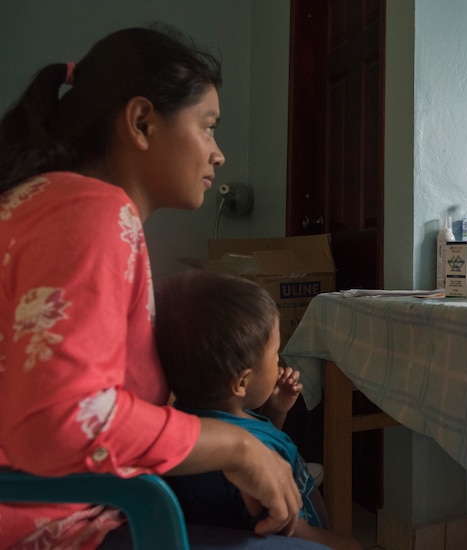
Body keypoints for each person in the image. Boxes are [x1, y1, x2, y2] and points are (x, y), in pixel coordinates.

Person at [0, 25, 327, 549]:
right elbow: (62, 420)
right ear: (142, 121)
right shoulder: (92, 213)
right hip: (55, 531)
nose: (218, 154)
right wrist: (237, 448)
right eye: (208, 127)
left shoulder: (45, 203)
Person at [154, 270, 361, 550]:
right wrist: (347, 545)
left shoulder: (186, 433)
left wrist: (275, 413)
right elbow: (292, 531)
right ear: (241, 382)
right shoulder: (235, 460)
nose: (279, 363)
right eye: (275, 355)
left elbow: (258, 447)